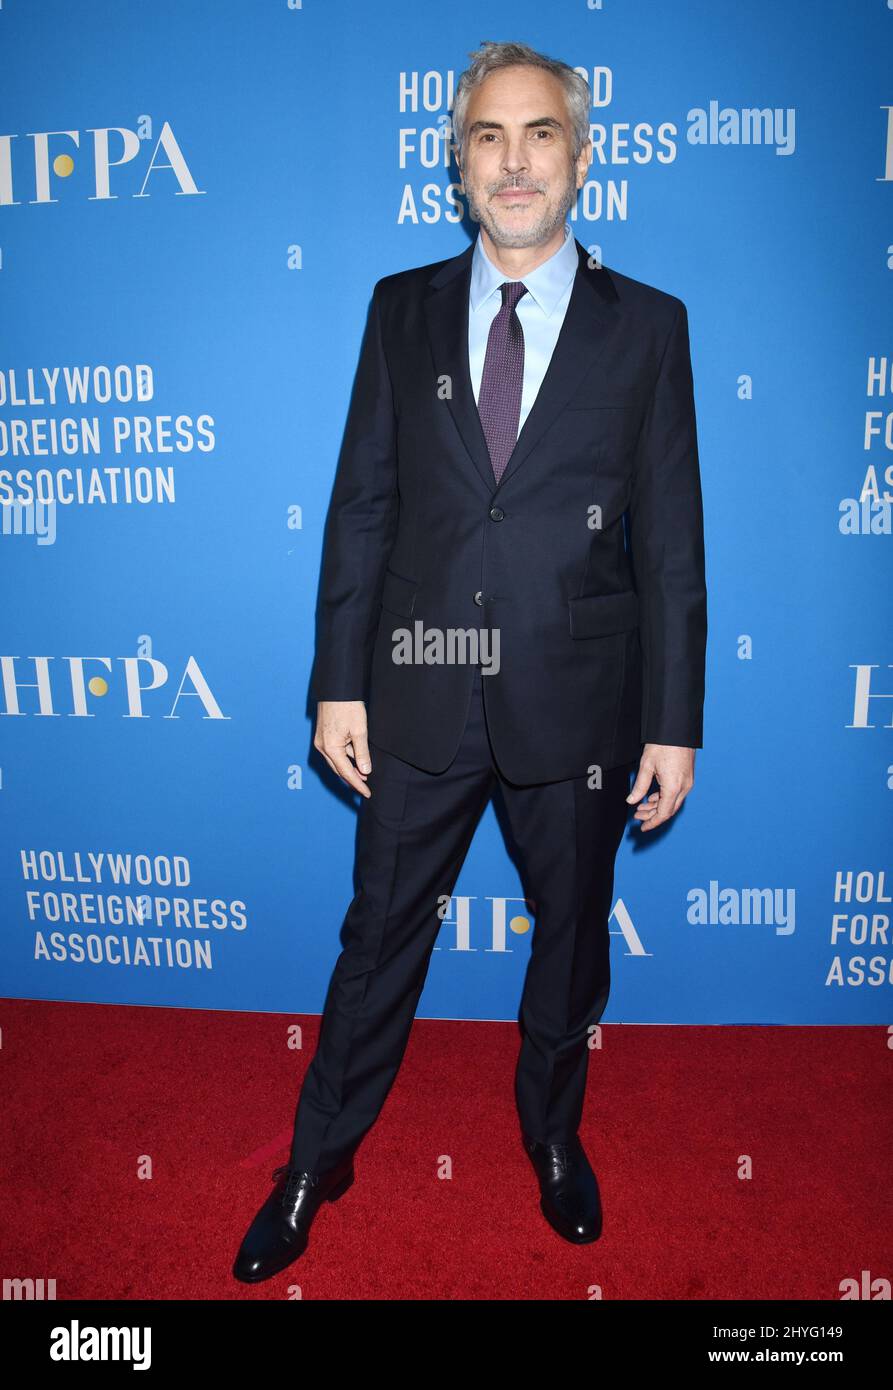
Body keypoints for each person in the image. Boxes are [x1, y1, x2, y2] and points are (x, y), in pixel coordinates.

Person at [233, 38, 707, 1284]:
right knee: (377, 936)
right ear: (456, 162)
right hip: (417, 687)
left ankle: (551, 1136)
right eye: (488, 137)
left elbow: (669, 541)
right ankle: (313, 1159)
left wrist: (674, 720)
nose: (514, 161)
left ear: (579, 154)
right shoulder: (398, 308)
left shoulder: (648, 327)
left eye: (538, 133)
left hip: (581, 701)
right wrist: (337, 680)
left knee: (569, 945)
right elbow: (362, 507)